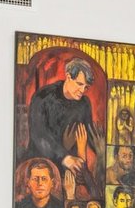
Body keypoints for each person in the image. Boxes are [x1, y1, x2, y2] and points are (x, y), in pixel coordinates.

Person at [22, 57, 99, 197]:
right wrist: (65, 157)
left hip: (70, 170)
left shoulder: (84, 104)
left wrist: (101, 151)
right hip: (40, 164)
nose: (82, 90)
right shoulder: (43, 97)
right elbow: (39, 135)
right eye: (79, 84)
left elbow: (89, 135)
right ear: (68, 77)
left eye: (86, 87)